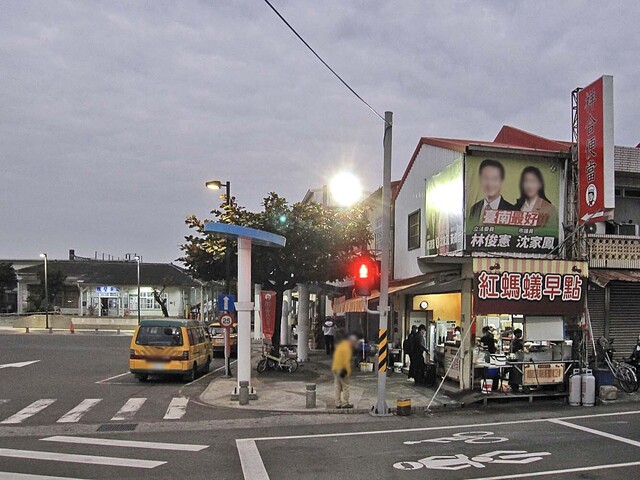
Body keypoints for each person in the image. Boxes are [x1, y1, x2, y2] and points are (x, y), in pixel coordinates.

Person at [332, 334, 358, 409]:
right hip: (342, 369)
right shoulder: (347, 348)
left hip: (335, 368)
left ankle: (337, 403)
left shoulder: (340, 346)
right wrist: (348, 372)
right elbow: (346, 361)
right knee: (346, 386)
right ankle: (345, 403)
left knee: (337, 386)